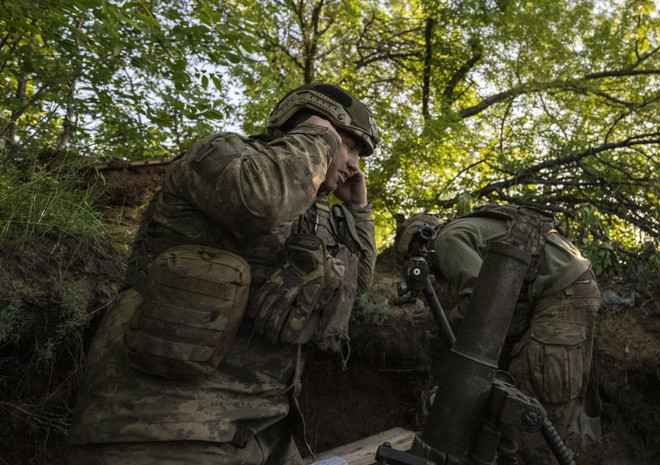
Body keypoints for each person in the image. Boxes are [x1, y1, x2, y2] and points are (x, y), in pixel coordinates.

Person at [67, 83, 380, 465]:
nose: (354, 165)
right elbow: (259, 204)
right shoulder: (226, 156)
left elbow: (356, 285)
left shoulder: (315, 213)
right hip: (162, 427)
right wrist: (320, 136)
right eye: (350, 146)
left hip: (266, 433)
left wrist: (359, 211)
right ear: (313, 126)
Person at [395, 205, 601, 465]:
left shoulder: (446, 240)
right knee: (524, 386)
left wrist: (436, 319)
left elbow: (482, 300)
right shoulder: (469, 230)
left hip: (561, 292)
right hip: (563, 290)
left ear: (419, 245)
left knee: (538, 401)